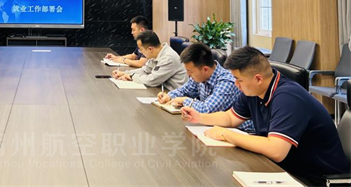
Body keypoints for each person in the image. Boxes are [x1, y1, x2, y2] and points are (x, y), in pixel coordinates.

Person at [182, 46, 348, 185]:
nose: (235, 84)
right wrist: (199, 117)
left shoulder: (288, 97)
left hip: (316, 178)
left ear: (258, 79)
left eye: (238, 79)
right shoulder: (253, 91)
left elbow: (276, 150)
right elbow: (230, 118)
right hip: (285, 169)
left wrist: (226, 134)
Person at [157, 43, 253, 131]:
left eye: (190, 72)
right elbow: (185, 90)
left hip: (240, 131)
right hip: (214, 126)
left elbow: (207, 110)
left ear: (205, 70)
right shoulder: (200, 76)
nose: (188, 75)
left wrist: (184, 100)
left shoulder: (227, 81)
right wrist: (169, 96)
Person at [112, 30, 187, 90]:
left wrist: (131, 76)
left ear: (150, 49)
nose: (140, 52)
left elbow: (152, 80)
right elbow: (145, 70)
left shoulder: (168, 58)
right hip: (162, 90)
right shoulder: (156, 54)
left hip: (174, 94)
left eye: (141, 49)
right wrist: (125, 73)